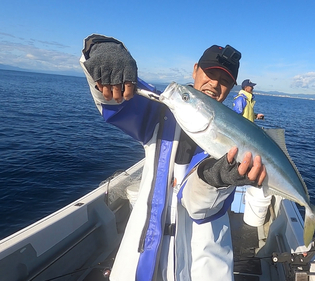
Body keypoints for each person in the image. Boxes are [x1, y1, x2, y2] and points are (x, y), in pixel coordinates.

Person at [80, 34, 267, 281]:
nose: (214, 84)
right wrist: (99, 47)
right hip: (140, 259)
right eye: (210, 74)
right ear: (195, 71)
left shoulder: (232, 138)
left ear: (232, 89)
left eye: (225, 81)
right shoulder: (160, 112)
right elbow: (114, 96)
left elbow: (199, 208)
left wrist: (215, 179)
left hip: (205, 266)